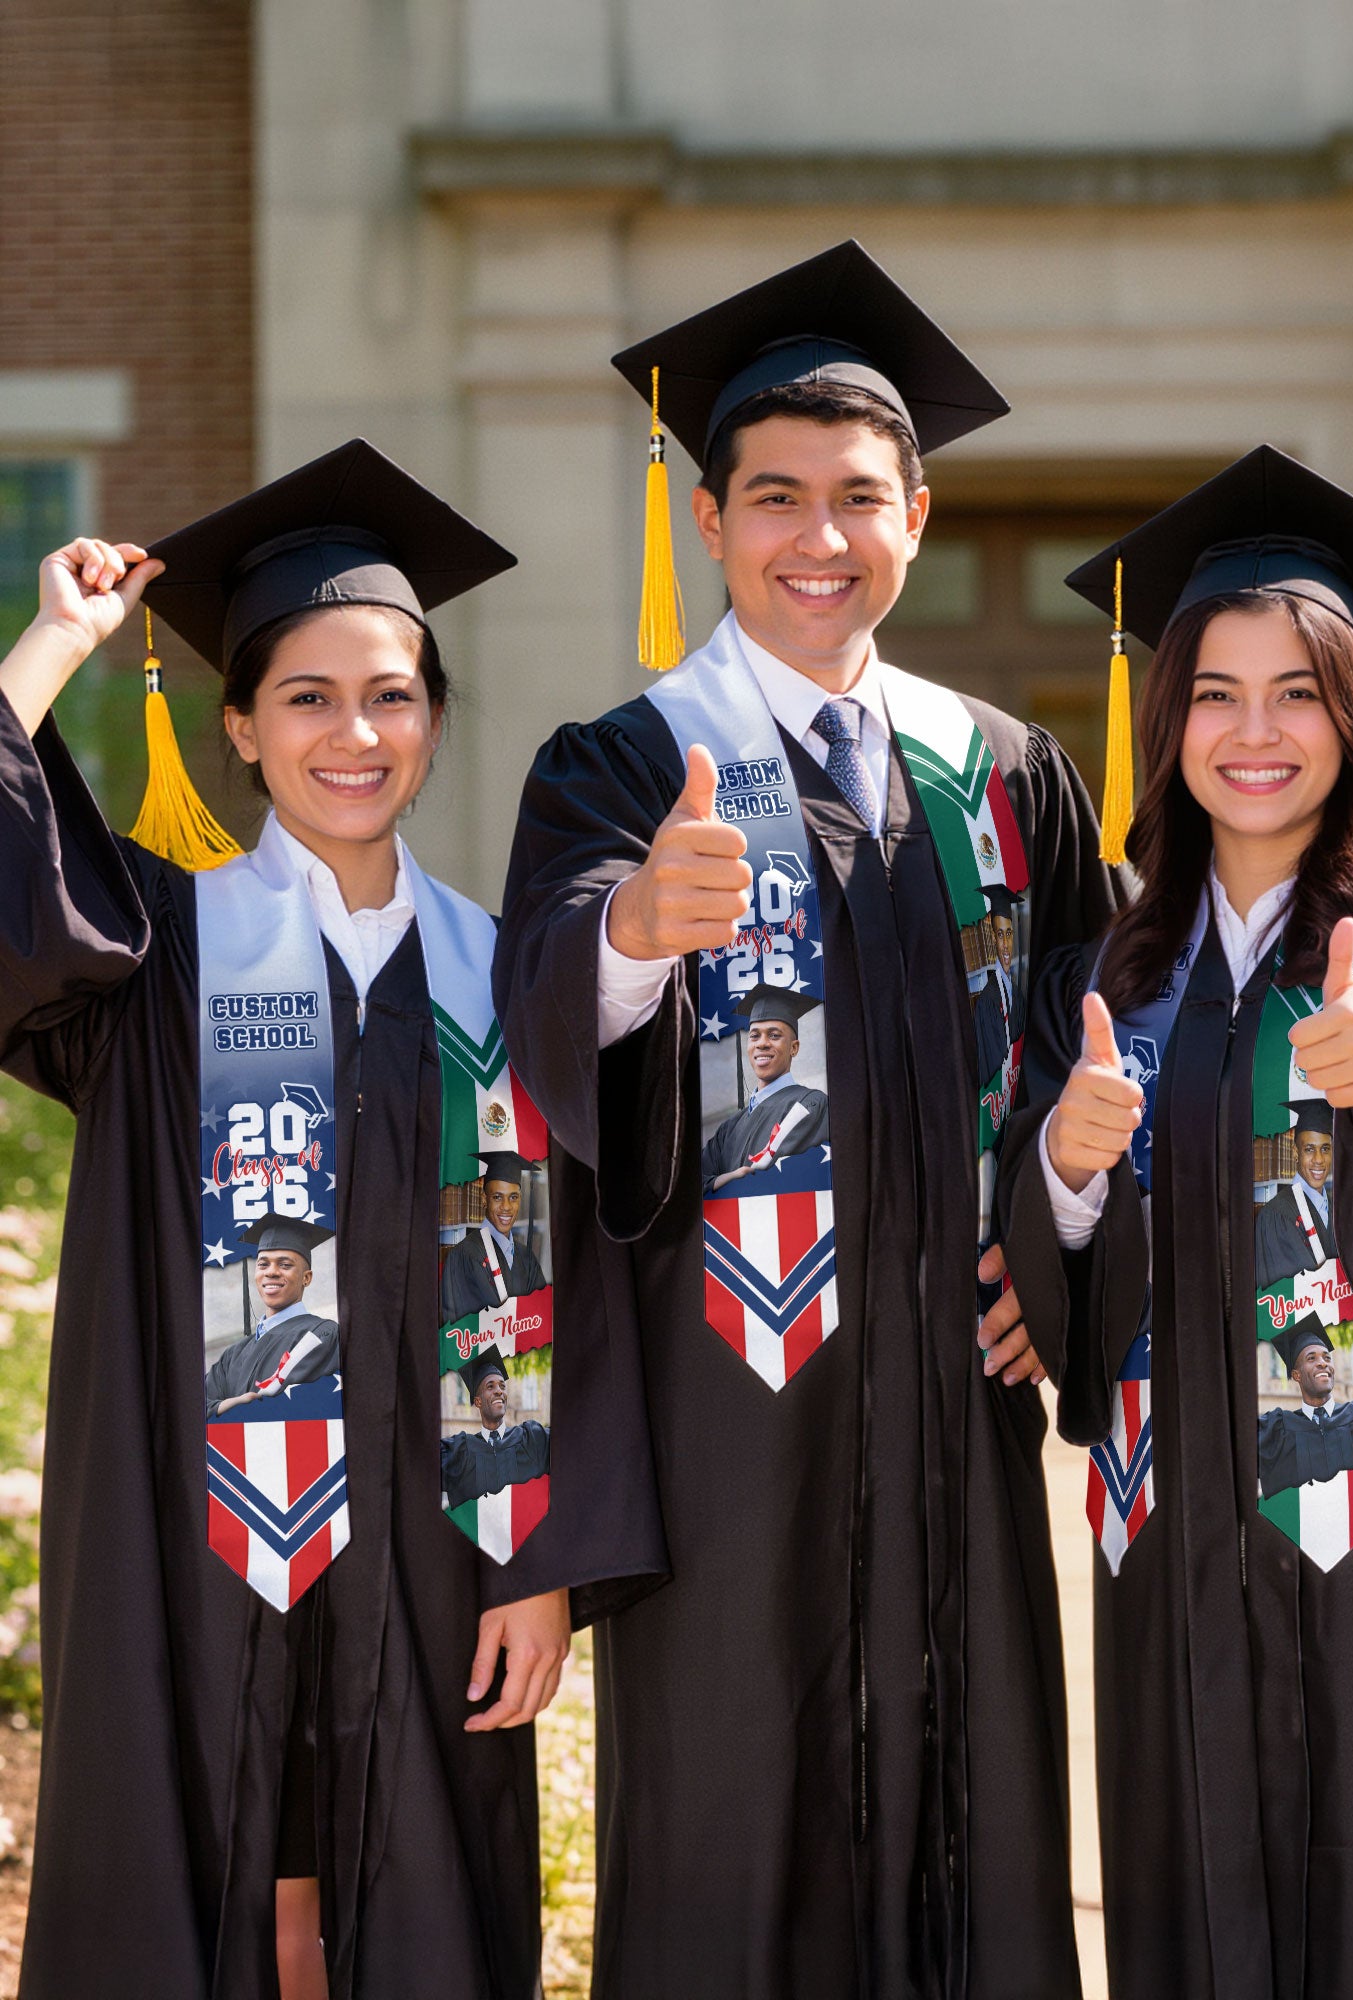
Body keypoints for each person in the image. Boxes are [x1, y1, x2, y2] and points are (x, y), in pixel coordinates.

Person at [493, 242, 1119, 1997]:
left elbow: (1105, 1038)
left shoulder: (1001, 768)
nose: (817, 538)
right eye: (775, 499)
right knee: (734, 1830)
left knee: (974, 1815)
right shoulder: (621, 764)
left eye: (859, 498)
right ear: (710, 521)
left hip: (955, 1403)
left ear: (917, 513)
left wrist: (1057, 1250)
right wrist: (632, 932)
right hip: (732, 1405)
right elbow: (545, 1013)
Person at [0, 442, 662, 2000]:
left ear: (434, 719)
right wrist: (52, 647)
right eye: (305, 696)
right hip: (194, 1529)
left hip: (444, 1547)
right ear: (238, 726)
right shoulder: (159, 954)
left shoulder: (511, 976)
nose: (352, 733)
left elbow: (594, 1281)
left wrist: (544, 1559)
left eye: (390, 694)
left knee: (420, 1898)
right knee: (204, 1869)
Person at [998, 447, 1353, 1998]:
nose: (1257, 733)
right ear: (1166, 719)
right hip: (1174, 1519)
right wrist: (1063, 1156)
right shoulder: (1099, 978)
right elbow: (1047, 1247)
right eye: (1216, 694)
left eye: (1300, 692)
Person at [696, 984, 830, 1191]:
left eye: (774, 1035)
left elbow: (786, 1178)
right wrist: (723, 1180)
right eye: (754, 1035)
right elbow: (691, 1185)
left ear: (794, 1048)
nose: (762, 1043)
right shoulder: (728, 1129)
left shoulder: (809, 1106)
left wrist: (728, 1182)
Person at [205, 1217, 340, 1416]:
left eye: (285, 1265)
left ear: (306, 1277)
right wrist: (224, 1406)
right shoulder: (232, 1356)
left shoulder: (320, 1336)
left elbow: (296, 1406)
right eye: (263, 1265)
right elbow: (192, 1407)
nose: (272, 1272)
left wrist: (233, 1408)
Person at [1254, 1328, 1353, 1498]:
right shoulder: (1276, 1431)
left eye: (1327, 1357)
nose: (1323, 1363)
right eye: (1311, 1358)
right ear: (1296, 1375)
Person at [438, 1151, 550, 1320]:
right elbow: (454, 1326)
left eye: (513, 1197)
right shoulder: (463, 1256)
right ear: (484, 1199)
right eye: (497, 1197)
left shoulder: (527, 1257)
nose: (506, 1207)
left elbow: (539, 1313)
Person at [441, 1350, 552, 1509]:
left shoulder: (531, 1440)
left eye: (502, 1385)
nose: (499, 1390)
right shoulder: (461, 1451)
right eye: (490, 1386)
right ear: (477, 1401)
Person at [1252, 1095, 1334, 1290]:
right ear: (1296, 1153)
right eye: (1309, 1149)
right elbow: (1283, 1292)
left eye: (1325, 1149)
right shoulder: (1276, 1215)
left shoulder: (1338, 1208)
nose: (1318, 1159)